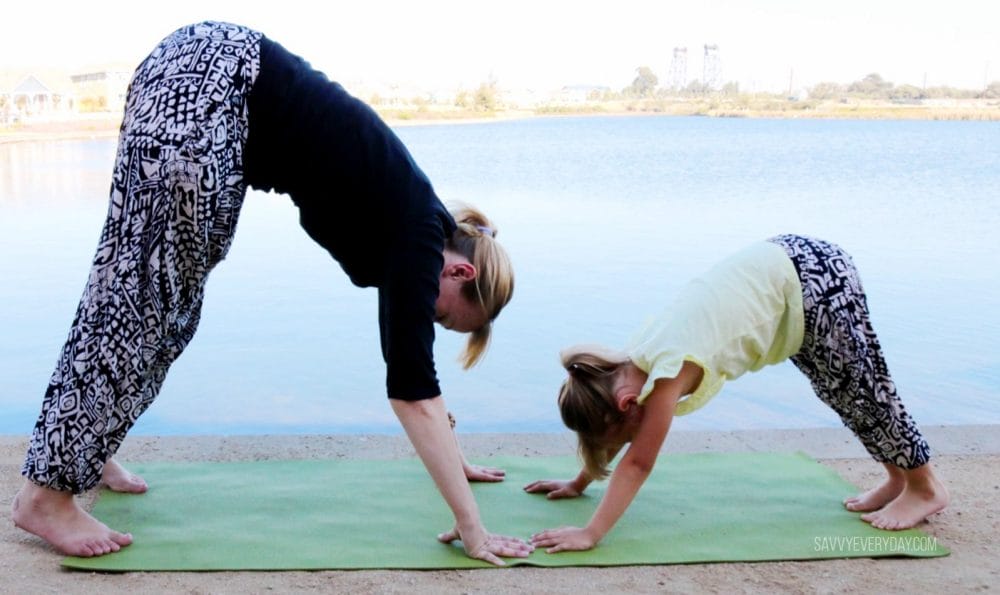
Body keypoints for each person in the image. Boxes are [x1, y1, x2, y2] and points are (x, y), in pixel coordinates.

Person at [11, 21, 532, 565]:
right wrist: (473, 527)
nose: (430, 318)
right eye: (444, 318)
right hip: (215, 91)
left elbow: (418, 376)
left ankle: (85, 452)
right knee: (144, 304)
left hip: (200, 74)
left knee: (151, 303)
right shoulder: (418, 240)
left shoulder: (410, 220)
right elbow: (413, 390)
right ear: (460, 275)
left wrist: (452, 457)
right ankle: (46, 497)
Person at [525, 234, 949, 553]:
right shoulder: (631, 365)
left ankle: (925, 487)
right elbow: (620, 435)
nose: (624, 442)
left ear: (625, 406)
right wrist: (581, 480)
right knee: (843, 394)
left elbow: (637, 462)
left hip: (811, 281)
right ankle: (898, 477)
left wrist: (591, 532)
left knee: (866, 393)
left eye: (616, 436)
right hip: (791, 290)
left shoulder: (666, 374)